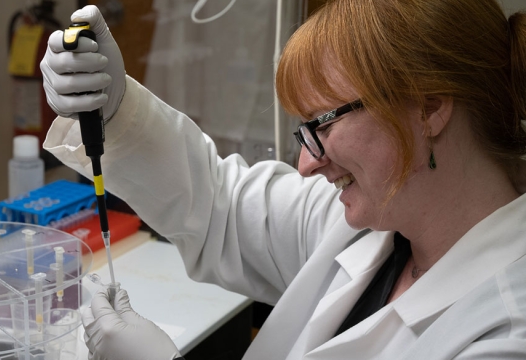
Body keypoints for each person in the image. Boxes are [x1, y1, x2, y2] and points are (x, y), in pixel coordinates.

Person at [40, 1, 526, 359]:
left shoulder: (504, 335)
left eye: (325, 123)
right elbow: (219, 205)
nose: (306, 165)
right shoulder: (367, 222)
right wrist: (114, 107)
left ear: (430, 106)